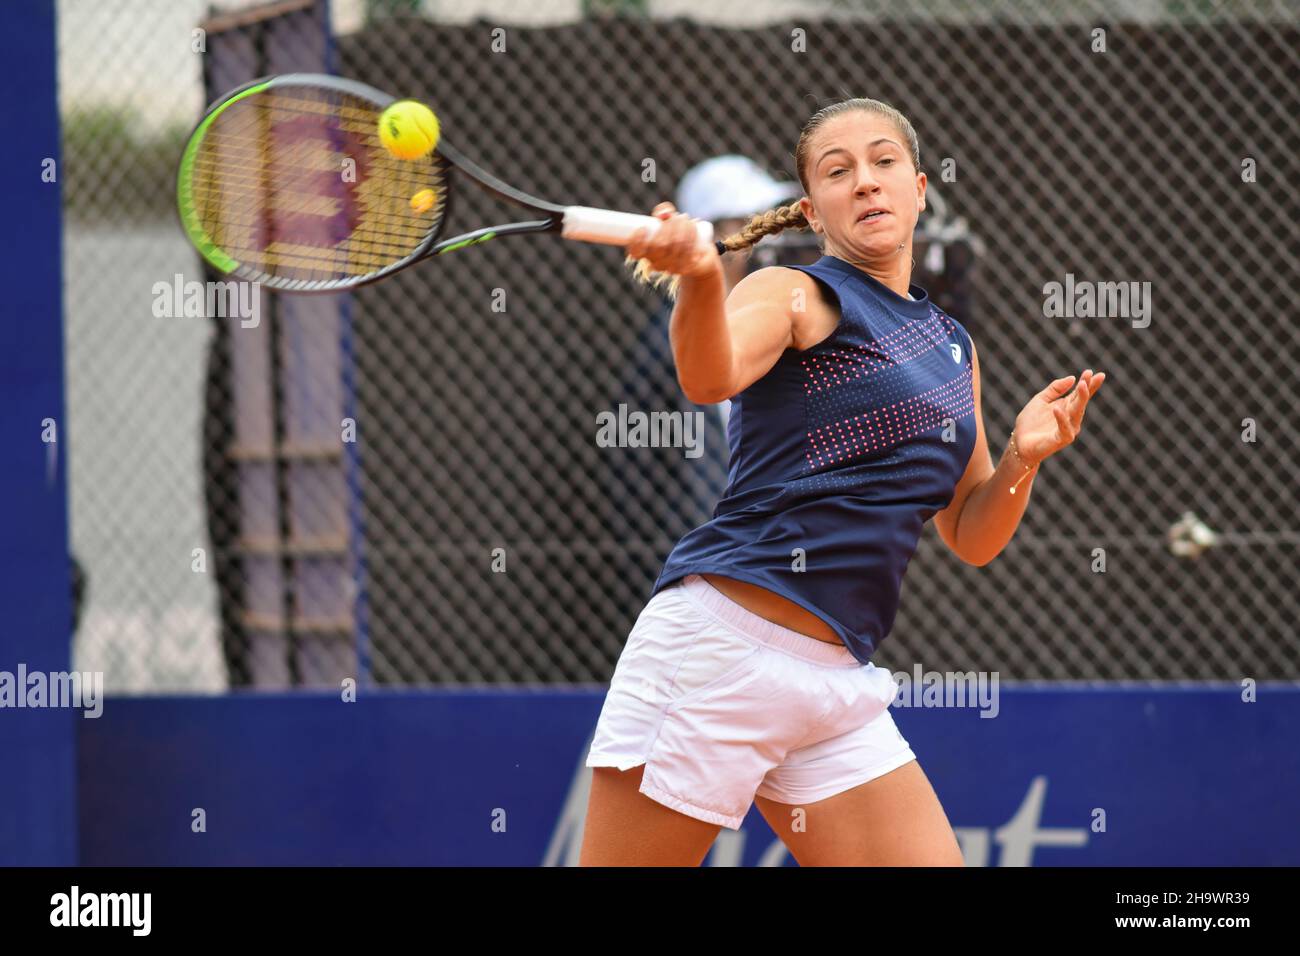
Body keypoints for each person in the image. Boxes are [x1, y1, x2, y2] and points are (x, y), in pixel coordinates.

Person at [581, 96, 1106, 866]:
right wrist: (699, 278)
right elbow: (707, 374)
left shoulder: (952, 347)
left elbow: (971, 535)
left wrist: (1024, 458)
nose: (866, 181)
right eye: (839, 170)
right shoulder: (791, 292)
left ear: (920, 188)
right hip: (719, 654)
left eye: (884, 161)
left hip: (836, 684)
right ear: (811, 211)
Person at [606, 157, 803, 605]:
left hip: (767, 579)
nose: (768, 235)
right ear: (715, 237)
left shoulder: (776, 318)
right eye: (750, 224)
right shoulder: (671, 347)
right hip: (705, 586)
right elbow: (647, 492)